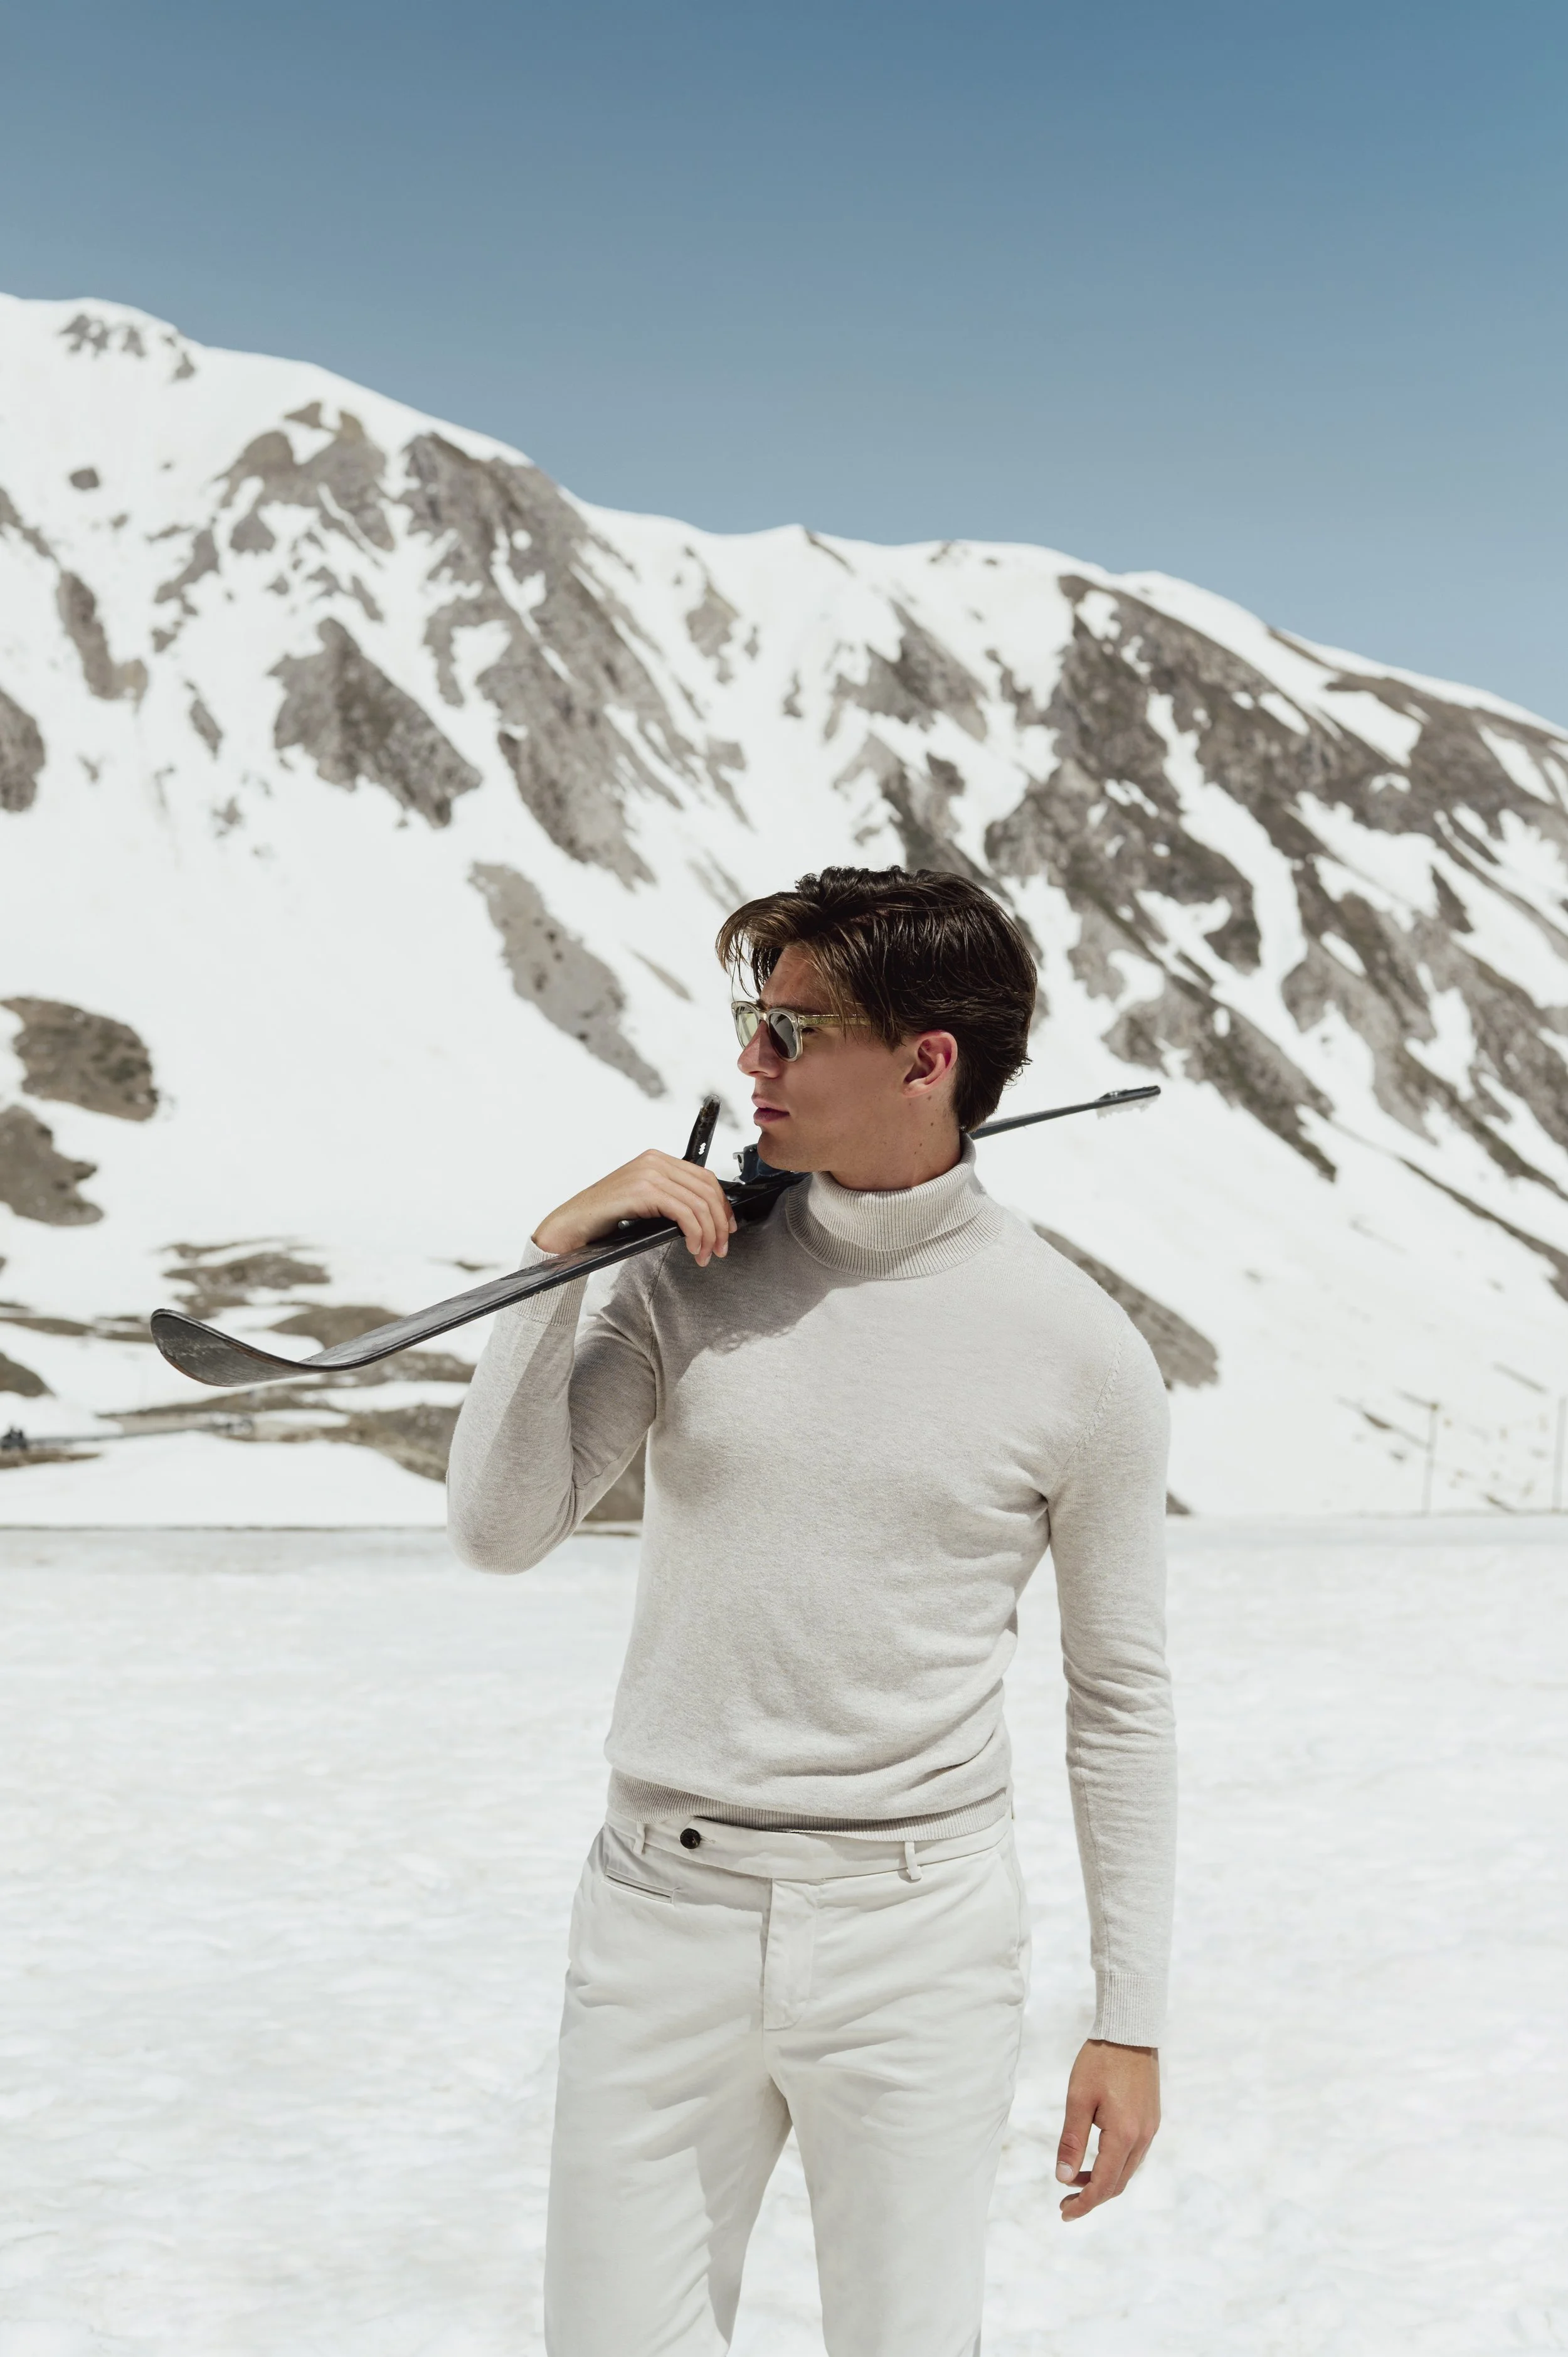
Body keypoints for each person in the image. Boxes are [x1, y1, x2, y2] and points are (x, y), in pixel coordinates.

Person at [447, 865, 1175, 2357]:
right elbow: (500, 1530)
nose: (749, 1061)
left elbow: (1119, 1703)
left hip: (916, 1939)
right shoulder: (685, 1276)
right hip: (660, 1916)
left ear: (925, 1062)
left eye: (791, 1029)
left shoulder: (1077, 1351)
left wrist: (1130, 2019)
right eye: (751, 1022)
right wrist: (555, 1264)